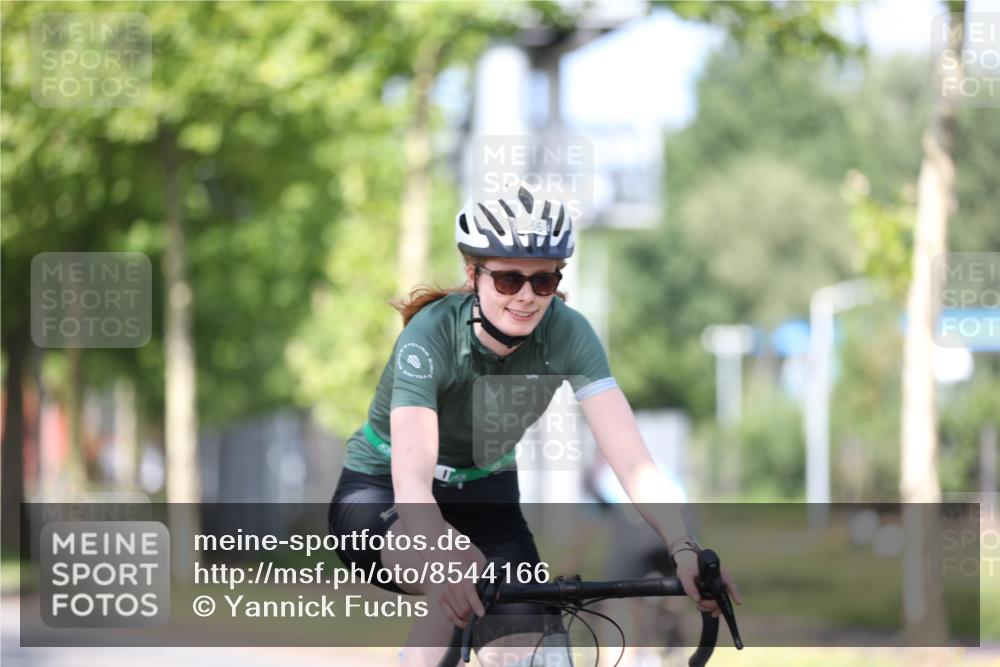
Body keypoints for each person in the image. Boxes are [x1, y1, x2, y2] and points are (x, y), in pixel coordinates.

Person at [327, 183, 741, 667]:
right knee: (459, 572)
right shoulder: (430, 335)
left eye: (543, 282)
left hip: (487, 496)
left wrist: (683, 548)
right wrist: (441, 559)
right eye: (508, 281)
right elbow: (412, 482)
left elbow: (633, 462)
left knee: (534, 645)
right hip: (382, 493)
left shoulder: (568, 332)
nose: (526, 297)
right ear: (473, 274)